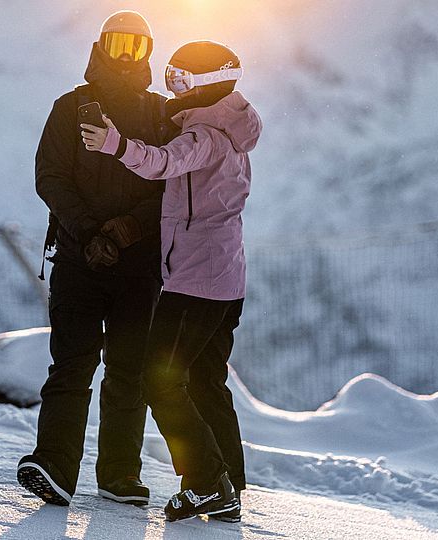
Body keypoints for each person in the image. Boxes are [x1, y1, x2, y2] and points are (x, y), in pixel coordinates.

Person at [82, 40, 262, 521]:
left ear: (206, 84)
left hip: (196, 281)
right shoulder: (232, 127)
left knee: (158, 379)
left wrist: (113, 144)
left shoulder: (205, 135)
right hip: (227, 278)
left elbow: (164, 161)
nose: (173, 89)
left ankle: (206, 483)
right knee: (205, 378)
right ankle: (228, 484)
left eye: (180, 80)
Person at [17, 10, 172, 507]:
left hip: (138, 265)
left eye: (138, 47)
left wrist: (127, 230)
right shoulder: (70, 107)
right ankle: (54, 466)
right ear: (102, 46)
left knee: (129, 369)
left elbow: (173, 182)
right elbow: (51, 176)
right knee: (72, 364)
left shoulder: (162, 114)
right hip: (79, 259)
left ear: (148, 53)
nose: (127, 56)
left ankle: (120, 475)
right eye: (119, 44)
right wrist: (89, 234)